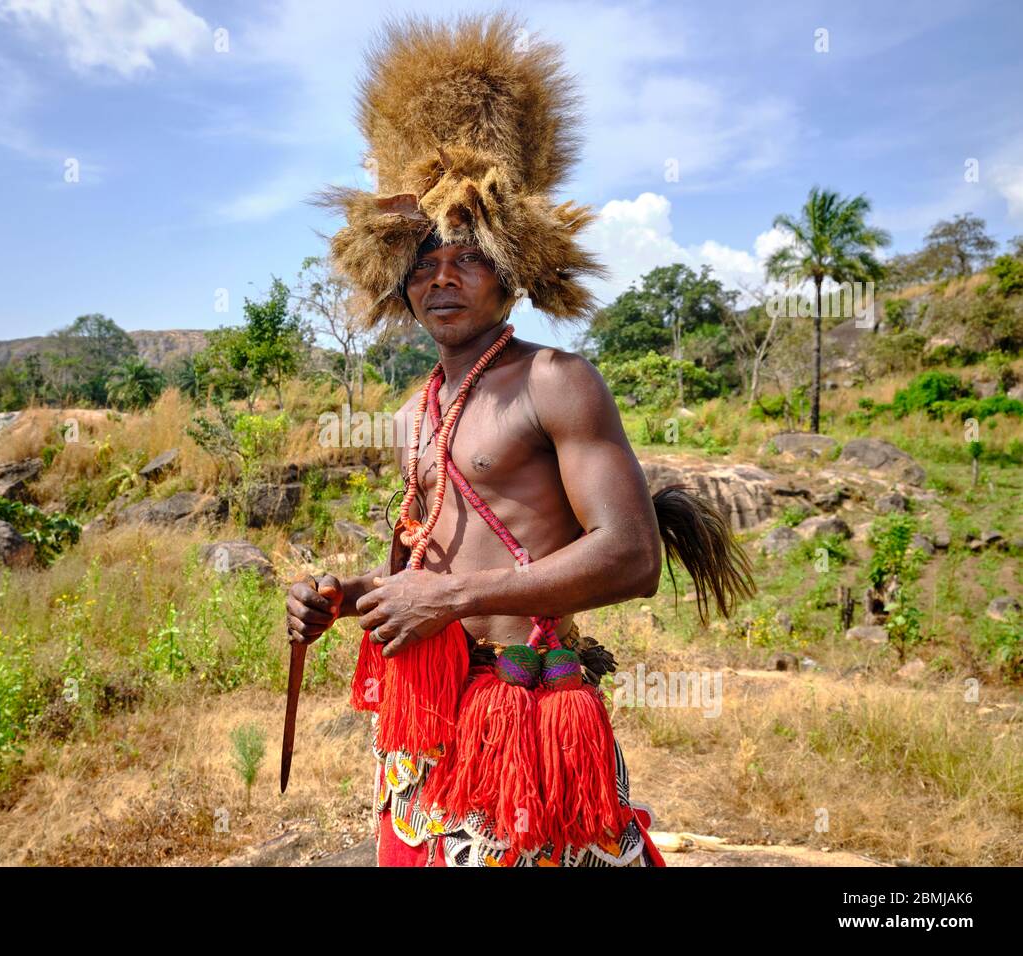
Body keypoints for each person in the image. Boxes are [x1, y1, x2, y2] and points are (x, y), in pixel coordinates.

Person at [286, 12, 753, 867]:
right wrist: (349, 594)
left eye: (465, 254)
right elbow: (422, 571)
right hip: (430, 716)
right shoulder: (412, 410)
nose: (441, 274)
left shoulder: (556, 381)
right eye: (422, 259)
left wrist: (454, 599)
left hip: (530, 703)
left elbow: (632, 558)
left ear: (510, 271)